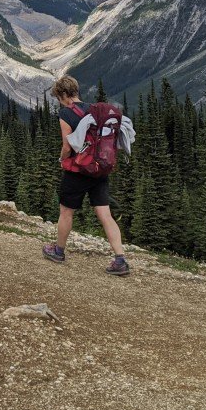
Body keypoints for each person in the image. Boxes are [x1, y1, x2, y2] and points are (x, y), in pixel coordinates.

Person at [42, 74, 130, 276]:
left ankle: (58, 251)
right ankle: (120, 259)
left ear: (64, 94)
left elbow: (67, 146)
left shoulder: (66, 113)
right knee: (105, 215)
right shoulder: (94, 110)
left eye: (59, 97)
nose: (59, 101)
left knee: (66, 211)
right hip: (99, 170)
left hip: (78, 171)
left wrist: (61, 159)